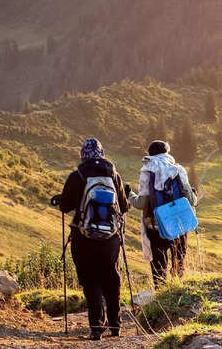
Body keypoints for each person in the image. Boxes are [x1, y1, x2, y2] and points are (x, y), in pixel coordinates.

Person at [57, 138, 128, 341]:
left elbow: (65, 206)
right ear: (101, 153)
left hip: (83, 237)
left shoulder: (77, 175)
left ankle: (97, 327)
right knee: (112, 278)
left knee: (90, 280)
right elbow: (123, 206)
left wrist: (61, 200)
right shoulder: (114, 174)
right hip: (111, 238)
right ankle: (115, 325)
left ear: (83, 155)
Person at [127, 140, 197, 288]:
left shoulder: (147, 170)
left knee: (159, 265)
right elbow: (192, 200)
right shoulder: (178, 169)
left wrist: (129, 194)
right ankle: (178, 292)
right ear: (167, 153)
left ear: (150, 155)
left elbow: (141, 204)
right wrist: (194, 194)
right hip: (179, 224)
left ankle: (161, 295)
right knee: (179, 262)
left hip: (156, 226)